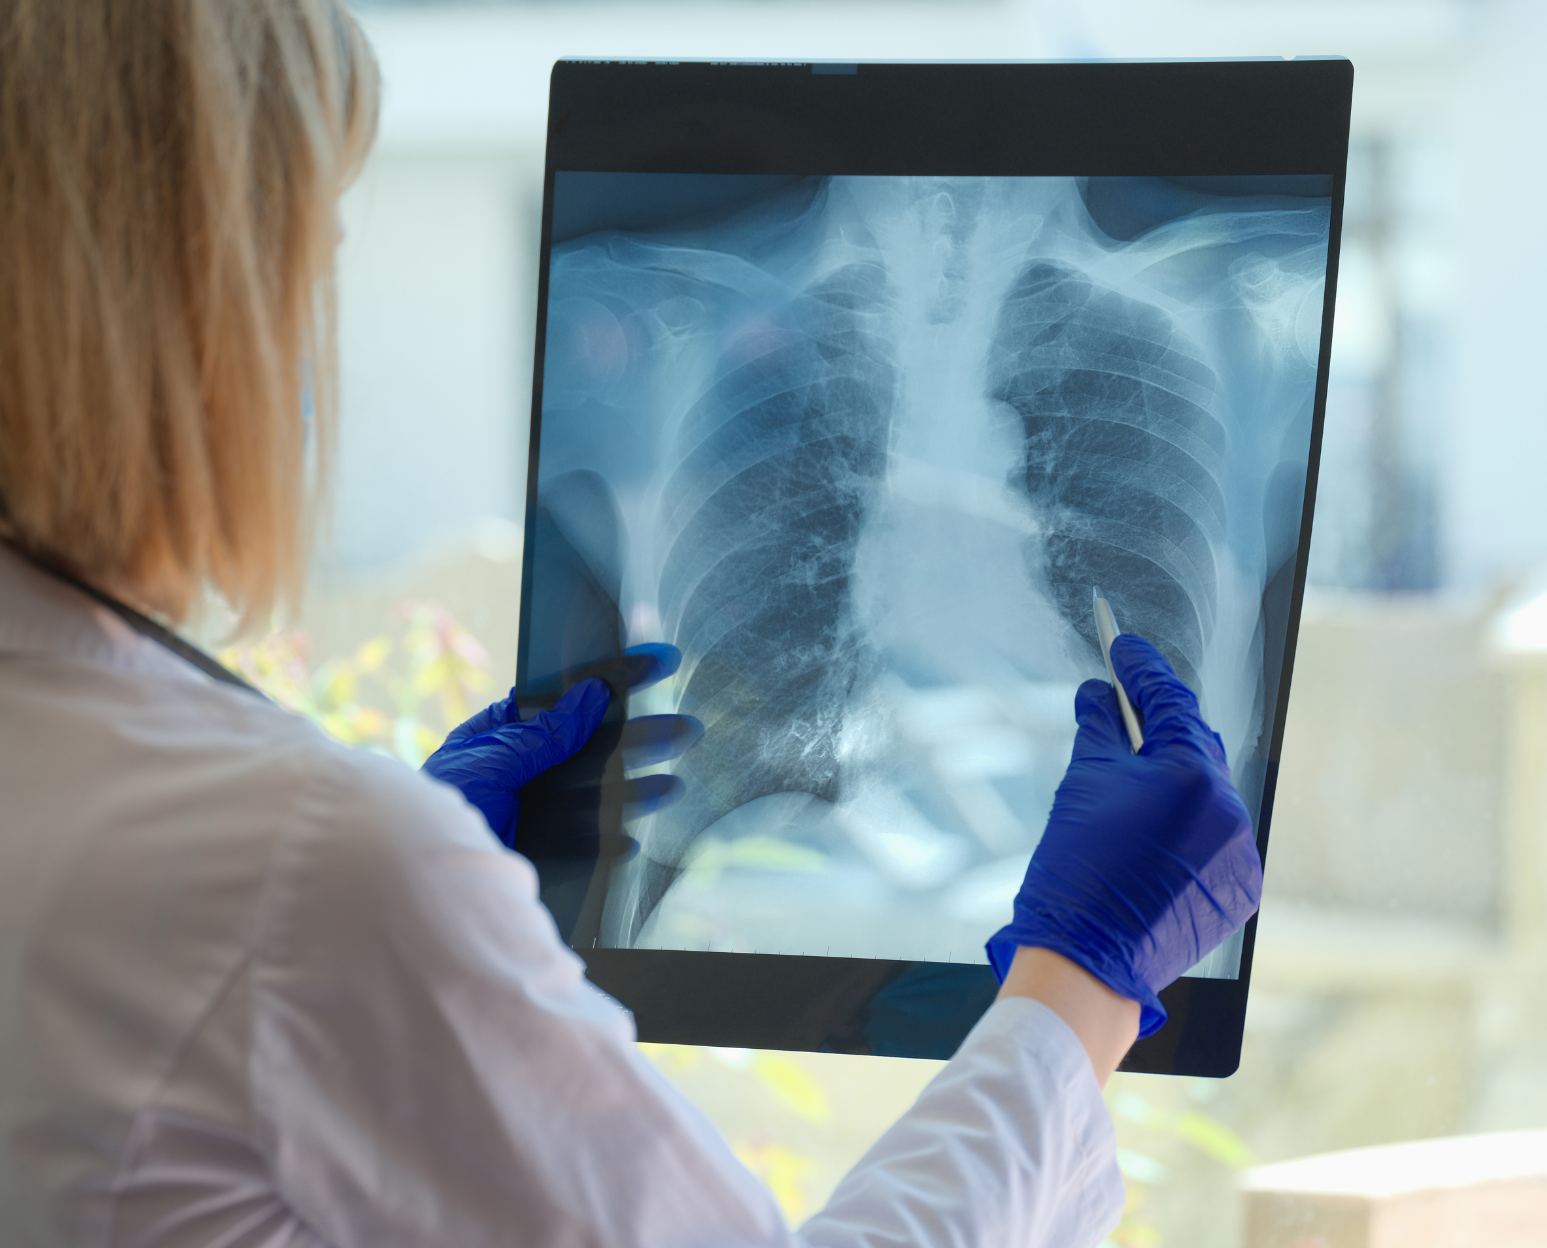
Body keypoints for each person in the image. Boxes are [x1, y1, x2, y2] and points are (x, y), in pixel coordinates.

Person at [0, 2, 1262, 1245]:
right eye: (310, 255)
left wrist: (406, 907)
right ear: (191, 306)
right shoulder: (299, 869)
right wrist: (1079, 988)